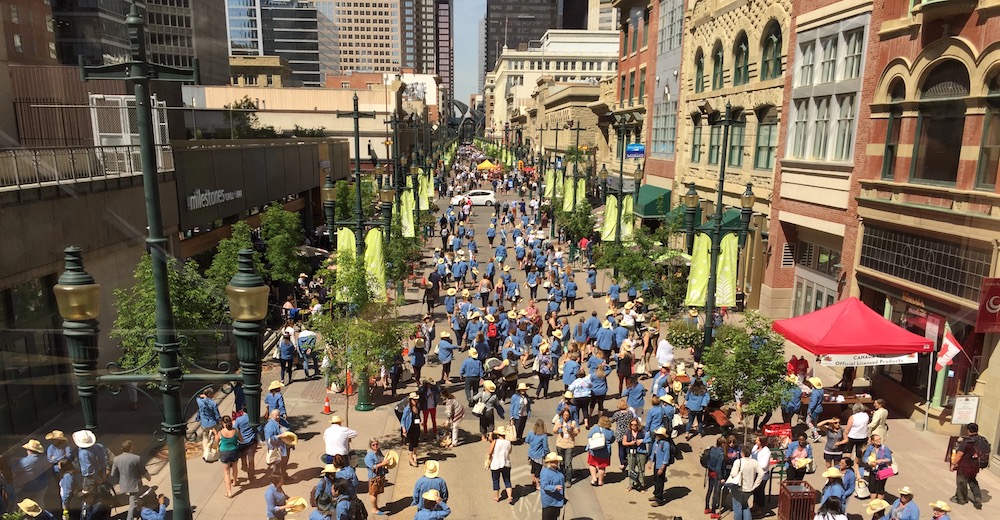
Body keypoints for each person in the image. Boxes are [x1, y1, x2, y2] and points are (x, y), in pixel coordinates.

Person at [111, 440, 150, 520]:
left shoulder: (116, 459)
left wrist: (123, 477)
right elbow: (142, 471)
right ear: (131, 448)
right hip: (134, 484)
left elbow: (113, 474)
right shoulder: (136, 458)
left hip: (124, 484)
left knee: (135, 500)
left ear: (121, 448)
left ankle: (140, 513)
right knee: (133, 502)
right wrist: (148, 477)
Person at [950, 422, 984, 509]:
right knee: (973, 481)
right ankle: (977, 497)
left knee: (961, 482)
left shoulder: (967, 441)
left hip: (965, 467)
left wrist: (953, 464)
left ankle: (961, 499)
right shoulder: (982, 440)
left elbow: (959, 455)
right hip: (975, 466)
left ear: (968, 431)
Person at [729, 444, 766, 520]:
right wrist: (756, 485)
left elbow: (733, 474)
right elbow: (761, 473)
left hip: (738, 488)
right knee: (745, 505)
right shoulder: (754, 462)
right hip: (749, 489)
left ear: (742, 453)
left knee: (737, 508)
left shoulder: (738, 462)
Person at [14, 439, 50, 511]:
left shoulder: (24, 461)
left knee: (23, 504)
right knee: (39, 503)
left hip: (28, 488)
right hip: (43, 485)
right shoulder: (44, 458)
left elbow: (14, 469)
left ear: (29, 450)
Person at [212, 416, 243, 498]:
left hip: (224, 452)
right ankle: (235, 481)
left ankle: (229, 492)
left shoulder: (220, 432)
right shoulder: (236, 431)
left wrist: (215, 434)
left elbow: (216, 442)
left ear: (223, 423)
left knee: (226, 472)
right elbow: (241, 440)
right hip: (234, 451)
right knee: (235, 467)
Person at [364, 439, 392, 515]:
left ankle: (376, 507)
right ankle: (374, 509)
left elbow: (382, 459)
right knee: (373, 494)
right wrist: (383, 464)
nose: (375, 446)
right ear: (370, 446)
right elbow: (372, 467)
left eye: (376, 444)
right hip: (373, 478)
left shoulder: (378, 452)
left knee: (376, 493)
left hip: (379, 476)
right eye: (373, 445)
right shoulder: (369, 456)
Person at [488, 426, 515, 503]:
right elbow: (509, 451)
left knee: (496, 480)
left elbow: (490, 452)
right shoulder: (508, 442)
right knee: (507, 480)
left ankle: (496, 497)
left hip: (496, 464)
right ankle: (510, 496)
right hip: (506, 463)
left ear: (498, 434)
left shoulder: (495, 441)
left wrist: (489, 459)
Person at [861, 434, 893, 500]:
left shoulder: (885, 448)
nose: (879, 441)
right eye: (877, 440)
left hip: (883, 470)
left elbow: (889, 459)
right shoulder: (870, 448)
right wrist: (870, 462)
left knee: (880, 489)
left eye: (879, 439)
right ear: (872, 441)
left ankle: (879, 504)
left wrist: (882, 460)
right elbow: (865, 458)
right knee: (872, 488)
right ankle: (872, 503)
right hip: (873, 470)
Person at [553, 408, 579, 487]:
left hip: (569, 445)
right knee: (561, 462)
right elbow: (554, 431)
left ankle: (568, 480)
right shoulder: (558, 421)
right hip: (560, 444)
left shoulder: (573, 423)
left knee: (568, 463)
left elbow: (576, 433)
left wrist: (571, 429)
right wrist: (557, 427)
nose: (566, 416)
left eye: (567, 415)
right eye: (564, 415)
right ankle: (561, 477)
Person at [649, 426, 673, 506]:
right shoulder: (657, 442)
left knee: (660, 482)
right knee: (655, 480)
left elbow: (666, 457)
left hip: (661, 465)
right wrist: (651, 461)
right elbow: (653, 452)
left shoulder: (666, 444)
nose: (656, 435)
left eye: (658, 434)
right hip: (656, 463)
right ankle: (656, 494)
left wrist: (662, 468)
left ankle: (659, 499)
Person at [623, 416, 648, 492]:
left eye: (635, 424)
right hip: (631, 452)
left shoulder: (642, 431)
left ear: (638, 425)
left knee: (641, 469)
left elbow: (648, 439)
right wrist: (630, 443)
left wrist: (641, 441)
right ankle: (631, 485)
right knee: (631, 469)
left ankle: (642, 485)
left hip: (641, 452)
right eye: (632, 424)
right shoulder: (628, 432)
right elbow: (624, 442)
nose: (633, 426)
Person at [197, 388, 221, 462]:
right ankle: (213, 452)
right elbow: (217, 414)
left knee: (205, 437)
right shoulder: (213, 403)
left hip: (204, 423)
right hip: (213, 423)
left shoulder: (199, 401)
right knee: (214, 437)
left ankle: (205, 453)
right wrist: (219, 421)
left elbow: (197, 397)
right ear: (210, 394)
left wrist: (203, 396)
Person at [525, 419, 550, 490]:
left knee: (533, 468)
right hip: (538, 456)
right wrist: (547, 454)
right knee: (538, 471)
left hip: (531, 454)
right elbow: (545, 447)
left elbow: (527, 441)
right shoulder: (544, 436)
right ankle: (537, 485)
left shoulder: (530, 433)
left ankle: (533, 480)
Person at [610, 399, 636, 470]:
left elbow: (611, 421)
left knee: (621, 448)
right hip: (628, 432)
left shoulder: (617, 414)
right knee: (627, 447)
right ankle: (627, 459)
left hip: (620, 433)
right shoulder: (630, 413)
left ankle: (622, 463)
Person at [705, 437, 726, 518]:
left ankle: (706, 508)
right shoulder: (721, 454)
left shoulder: (712, 449)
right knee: (716, 493)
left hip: (710, 471)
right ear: (722, 444)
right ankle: (713, 512)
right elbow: (718, 468)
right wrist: (721, 478)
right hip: (716, 474)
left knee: (709, 490)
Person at [750, 436, 773, 513]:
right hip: (754, 473)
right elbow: (751, 456)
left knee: (760, 491)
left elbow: (764, 465)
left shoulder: (766, 451)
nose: (756, 441)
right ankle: (754, 506)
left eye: (757, 440)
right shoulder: (755, 447)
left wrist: (753, 464)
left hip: (762, 475)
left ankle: (760, 508)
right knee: (755, 491)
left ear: (761, 442)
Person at [400, 392, 422, 467]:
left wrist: (420, 422)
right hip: (410, 428)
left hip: (417, 427)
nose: (416, 401)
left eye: (416, 399)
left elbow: (418, 416)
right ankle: (410, 459)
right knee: (411, 443)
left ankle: (415, 456)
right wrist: (404, 429)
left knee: (416, 442)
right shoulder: (407, 409)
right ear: (410, 400)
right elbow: (402, 420)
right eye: (414, 400)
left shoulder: (418, 407)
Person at [806, 377, 825, 442]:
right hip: (819, 409)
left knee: (808, 422)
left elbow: (813, 403)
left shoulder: (815, 393)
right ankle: (813, 435)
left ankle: (815, 434)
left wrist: (809, 410)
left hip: (814, 409)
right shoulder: (821, 391)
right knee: (814, 422)